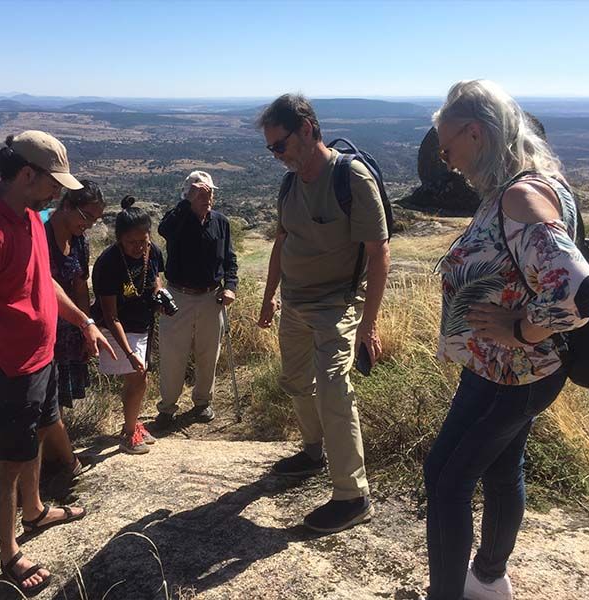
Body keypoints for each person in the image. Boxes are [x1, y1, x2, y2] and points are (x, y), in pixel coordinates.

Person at [424, 80, 589, 600]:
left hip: (508, 373)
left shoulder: (520, 196)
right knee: (501, 470)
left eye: (447, 147)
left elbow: (576, 291)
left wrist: (518, 328)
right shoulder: (540, 182)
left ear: (475, 133)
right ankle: (489, 579)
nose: (447, 160)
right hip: (520, 372)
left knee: (446, 479)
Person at [0, 131, 116, 596]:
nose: (58, 192)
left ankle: (35, 510)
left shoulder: (29, 217)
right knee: (7, 463)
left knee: (36, 438)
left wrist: (84, 321)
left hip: (41, 360)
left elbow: (45, 283)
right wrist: (3, 334)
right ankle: (10, 554)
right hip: (9, 370)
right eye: (53, 183)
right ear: (26, 174)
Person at [256, 93, 390, 533]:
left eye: (281, 145)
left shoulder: (350, 178)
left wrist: (369, 324)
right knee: (296, 380)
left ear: (308, 129)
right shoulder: (290, 184)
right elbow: (282, 242)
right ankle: (313, 451)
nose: (277, 155)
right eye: (271, 148)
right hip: (295, 301)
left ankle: (353, 496)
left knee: (333, 388)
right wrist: (269, 296)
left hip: (337, 303)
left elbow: (379, 252)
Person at [154, 171, 238, 426]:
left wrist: (230, 286)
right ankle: (167, 408)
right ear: (188, 195)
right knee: (173, 354)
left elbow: (230, 259)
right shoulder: (177, 219)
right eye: (201, 193)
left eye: (209, 193)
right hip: (179, 296)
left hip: (212, 298)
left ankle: (203, 402)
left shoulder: (220, 222)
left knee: (208, 354)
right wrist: (187, 202)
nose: (207, 198)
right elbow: (164, 229)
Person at [92, 196, 165, 454]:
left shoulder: (153, 251)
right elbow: (110, 315)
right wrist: (129, 352)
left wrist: (159, 294)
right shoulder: (108, 263)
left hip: (143, 323)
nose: (139, 248)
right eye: (131, 242)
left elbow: (156, 277)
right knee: (138, 377)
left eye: (143, 241)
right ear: (119, 239)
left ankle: (131, 424)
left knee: (139, 380)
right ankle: (129, 433)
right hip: (117, 326)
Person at [42, 180, 106, 471]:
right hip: (44, 331)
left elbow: (81, 286)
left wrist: (86, 327)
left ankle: (54, 459)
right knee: (46, 399)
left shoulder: (80, 241)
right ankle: (62, 462)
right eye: (86, 216)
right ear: (67, 205)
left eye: (95, 219)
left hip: (70, 330)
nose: (90, 225)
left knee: (58, 397)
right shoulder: (40, 236)